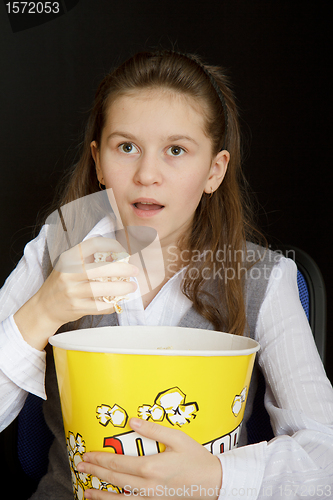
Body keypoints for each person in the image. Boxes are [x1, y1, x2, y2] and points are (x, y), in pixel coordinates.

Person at [0, 50, 332, 500]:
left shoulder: (265, 279)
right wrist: (41, 312)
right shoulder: (53, 250)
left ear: (214, 171)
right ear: (99, 162)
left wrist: (215, 478)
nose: (147, 174)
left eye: (176, 150)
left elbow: (324, 459)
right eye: (126, 147)